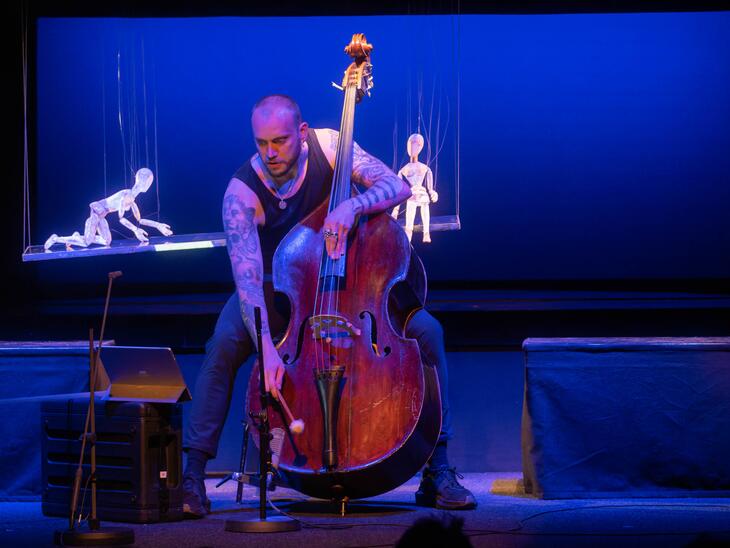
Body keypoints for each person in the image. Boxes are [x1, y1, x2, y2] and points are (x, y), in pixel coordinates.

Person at [182, 94, 476, 517]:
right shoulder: (240, 195)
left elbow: (398, 186)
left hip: (358, 280)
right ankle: (193, 475)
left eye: (280, 141)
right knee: (225, 342)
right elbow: (248, 287)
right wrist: (266, 349)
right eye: (262, 143)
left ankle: (437, 470)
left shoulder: (330, 145)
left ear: (301, 134)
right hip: (285, 287)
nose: (270, 153)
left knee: (430, 331)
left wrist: (353, 206)